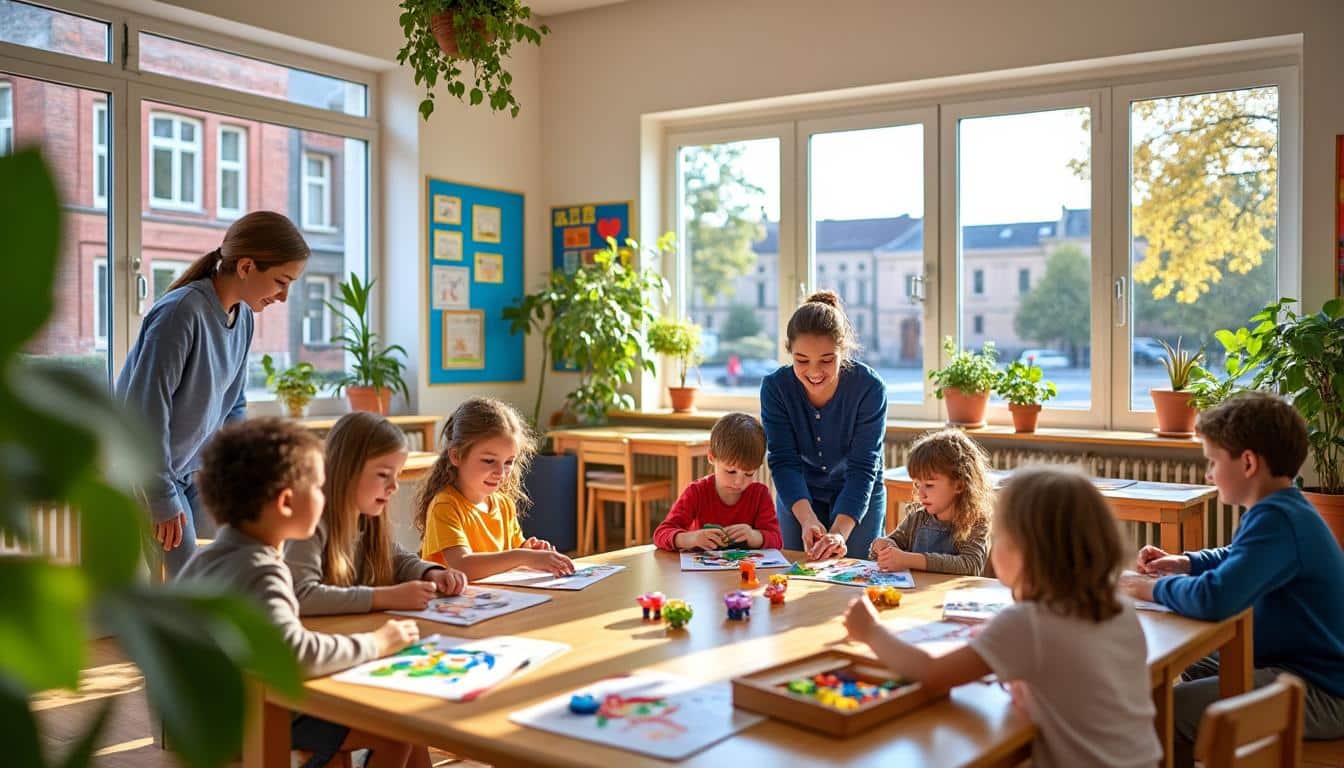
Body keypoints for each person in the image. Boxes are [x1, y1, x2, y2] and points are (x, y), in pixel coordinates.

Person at [845, 466, 1161, 768]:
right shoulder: (1117, 607)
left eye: (999, 536)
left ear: (1027, 551)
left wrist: (870, 631)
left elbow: (932, 674)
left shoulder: (1030, 623)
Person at [178, 418, 430, 768]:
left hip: (203, 720)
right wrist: (378, 643)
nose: (324, 494)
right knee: (399, 729)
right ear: (285, 502)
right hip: (251, 720)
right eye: (318, 486)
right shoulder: (263, 571)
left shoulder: (206, 560)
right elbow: (296, 655)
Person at [1120, 391, 1344, 765]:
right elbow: (1236, 558)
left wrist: (1150, 587)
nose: (1208, 474)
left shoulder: (1277, 520)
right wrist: (1185, 563)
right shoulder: (1282, 508)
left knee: (1156, 713)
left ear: (1248, 463)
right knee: (1171, 670)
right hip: (1294, 665)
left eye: (1212, 462)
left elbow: (1216, 599)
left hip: (1321, 690)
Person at [117, 211, 309, 576]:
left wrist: (234, 473)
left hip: (199, 469)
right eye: (281, 282)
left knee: (226, 569)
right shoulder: (180, 313)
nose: (284, 297)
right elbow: (145, 410)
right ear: (247, 266)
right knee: (187, 579)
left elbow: (233, 404)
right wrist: (160, 497)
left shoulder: (244, 317)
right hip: (152, 472)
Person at [286, 412, 466, 615]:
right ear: (346, 469)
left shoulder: (366, 519)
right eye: (383, 475)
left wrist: (431, 573)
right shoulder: (310, 525)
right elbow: (300, 596)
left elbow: (396, 558)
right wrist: (386, 597)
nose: (394, 486)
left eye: (397, 475)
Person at [761, 290, 887, 560]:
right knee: (796, 570)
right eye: (801, 361)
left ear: (843, 352)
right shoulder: (775, 388)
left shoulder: (870, 388)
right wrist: (807, 519)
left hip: (858, 491)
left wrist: (840, 532)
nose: (814, 372)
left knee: (854, 577)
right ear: (790, 352)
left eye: (827, 360)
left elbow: (863, 467)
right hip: (799, 491)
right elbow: (783, 460)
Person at [415, 397, 574, 579]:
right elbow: (463, 566)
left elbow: (511, 554)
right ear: (456, 456)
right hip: (454, 605)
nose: (500, 472)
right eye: (489, 461)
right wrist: (524, 556)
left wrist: (529, 549)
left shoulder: (504, 504)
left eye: (508, 462)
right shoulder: (445, 506)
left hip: (497, 602)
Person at [869, 429, 992, 576]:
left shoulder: (975, 522)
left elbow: (970, 565)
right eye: (917, 485)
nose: (921, 494)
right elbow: (894, 543)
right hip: (919, 595)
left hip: (954, 597)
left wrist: (908, 560)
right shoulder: (917, 518)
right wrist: (883, 547)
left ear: (959, 485)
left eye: (929, 485)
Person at [653, 412, 782, 551]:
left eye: (749, 474)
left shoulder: (760, 495)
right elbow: (661, 534)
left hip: (745, 571)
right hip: (703, 571)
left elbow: (777, 540)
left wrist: (754, 536)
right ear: (711, 457)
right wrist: (692, 538)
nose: (739, 482)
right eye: (731, 471)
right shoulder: (697, 492)